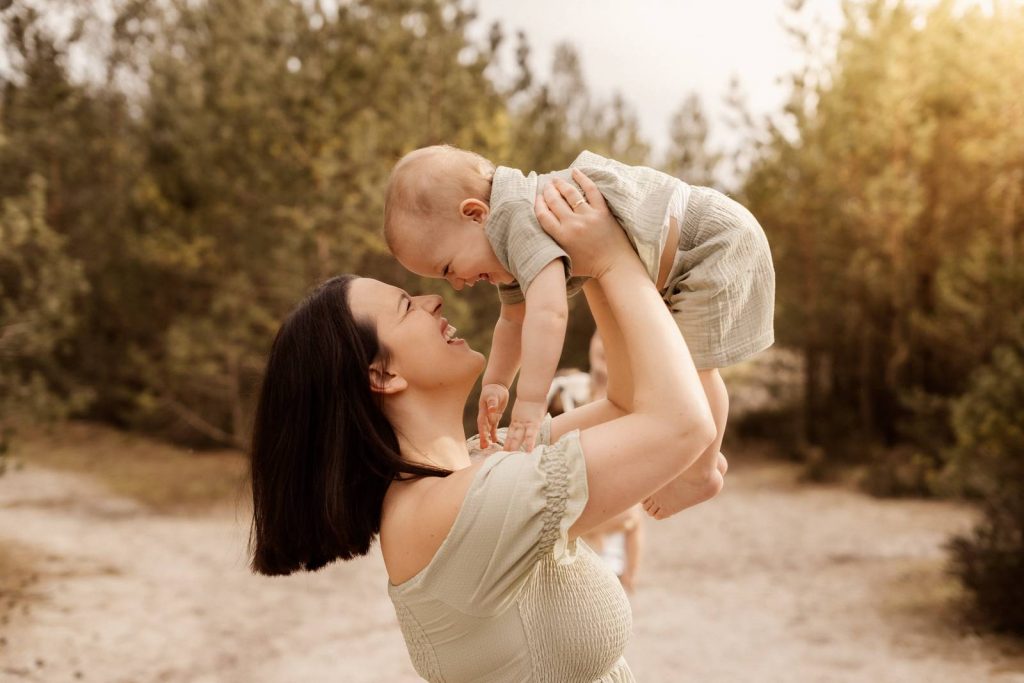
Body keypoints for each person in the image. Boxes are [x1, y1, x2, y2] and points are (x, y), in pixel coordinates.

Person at [249, 172, 722, 682]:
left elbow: (630, 407)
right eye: (407, 306)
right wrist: (611, 257)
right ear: (383, 375)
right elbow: (680, 424)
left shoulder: (480, 464)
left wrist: (583, 258)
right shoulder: (453, 510)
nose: (434, 299)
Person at [382, 145, 774, 519]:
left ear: (475, 213)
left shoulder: (516, 216)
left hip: (711, 244)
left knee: (694, 369)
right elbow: (514, 321)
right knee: (672, 374)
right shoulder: (505, 243)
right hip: (685, 262)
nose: (457, 284)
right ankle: (703, 461)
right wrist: (497, 383)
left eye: (448, 267)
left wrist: (531, 406)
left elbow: (548, 313)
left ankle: (701, 471)